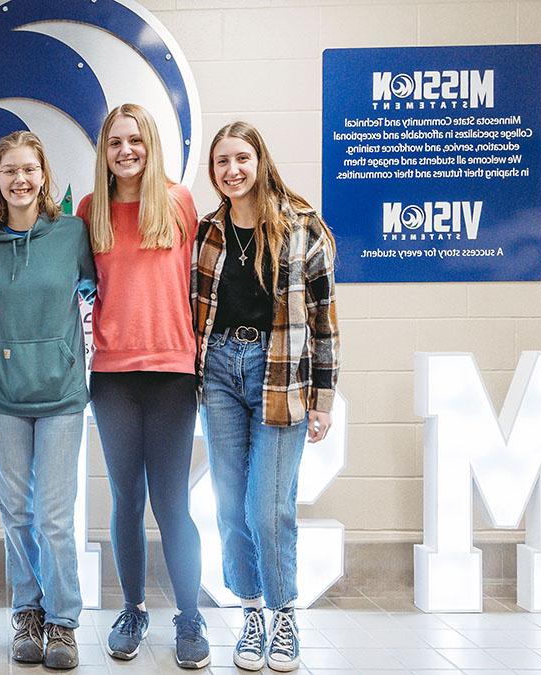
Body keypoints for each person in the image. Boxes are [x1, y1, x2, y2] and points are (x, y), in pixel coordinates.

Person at [192, 121, 339, 672]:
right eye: (222, 162)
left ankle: (284, 617)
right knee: (229, 506)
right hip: (222, 374)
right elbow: (194, 314)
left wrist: (323, 399)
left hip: (280, 376)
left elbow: (324, 322)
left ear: (260, 160)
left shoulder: (303, 228)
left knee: (269, 508)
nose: (232, 170)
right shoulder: (208, 233)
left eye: (241, 158)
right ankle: (250, 612)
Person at [76, 103, 209, 670]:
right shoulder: (90, 211)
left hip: (173, 372)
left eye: (135, 140)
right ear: (103, 153)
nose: (125, 151)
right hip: (112, 376)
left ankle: (189, 617)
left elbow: (199, 283)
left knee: (172, 503)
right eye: (114, 143)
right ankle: (131, 608)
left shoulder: (178, 203)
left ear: (150, 145)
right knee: (127, 500)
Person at [0, 131, 96, 670]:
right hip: (5, 394)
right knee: (15, 511)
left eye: (29, 169)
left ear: (43, 175)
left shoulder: (72, 233)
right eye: (9, 171)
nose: (20, 180)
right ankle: (27, 612)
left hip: (63, 394)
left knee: (54, 516)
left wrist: (72, 350)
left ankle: (63, 623)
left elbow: (92, 291)